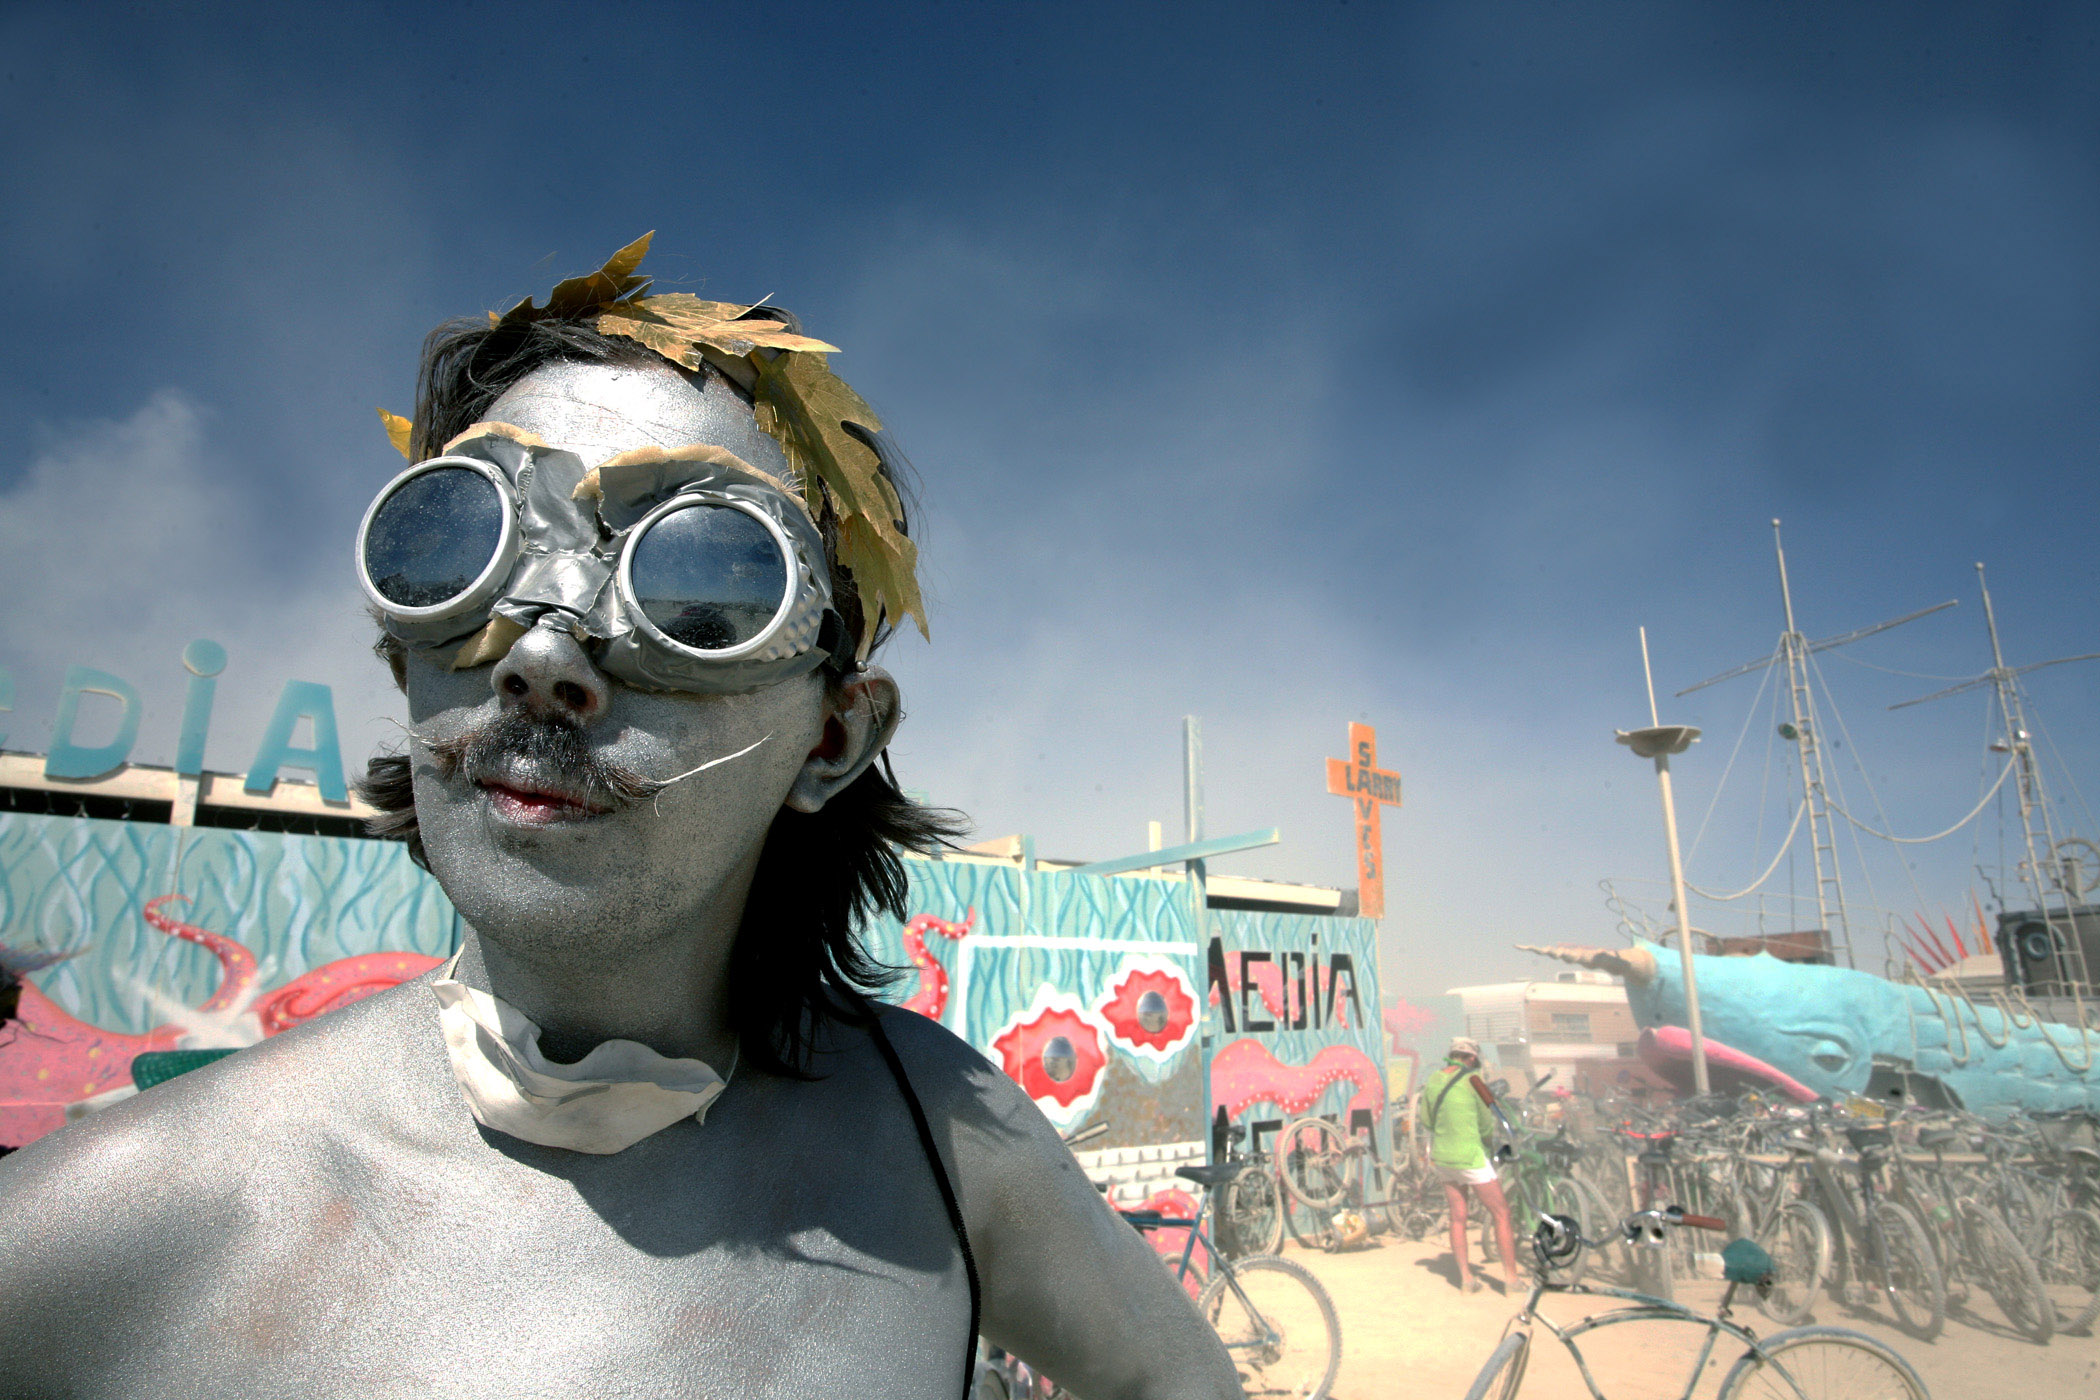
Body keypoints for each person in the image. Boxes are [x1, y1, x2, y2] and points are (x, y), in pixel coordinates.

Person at [0, 236, 1241, 1399]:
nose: (542, 654)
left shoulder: (945, 1143)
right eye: (463, 549)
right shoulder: (104, 1227)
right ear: (401, 659)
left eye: (705, 582)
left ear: (830, 738)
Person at [1420, 1035, 1519, 1293]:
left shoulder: (1433, 1079)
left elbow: (1427, 1120)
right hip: (1470, 1157)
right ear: (1472, 1058)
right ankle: (1511, 1280)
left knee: (1457, 1217)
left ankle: (1466, 1279)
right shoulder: (1475, 1081)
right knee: (1501, 1213)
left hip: (1443, 1157)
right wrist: (1488, 1143)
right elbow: (1487, 1124)